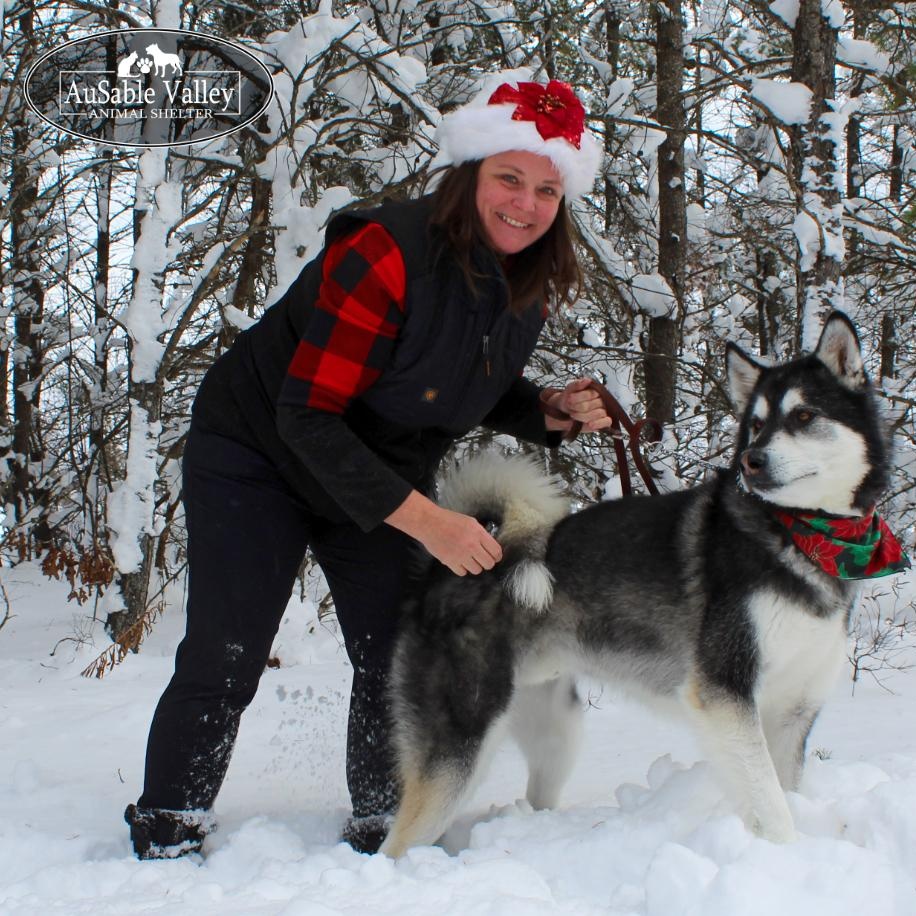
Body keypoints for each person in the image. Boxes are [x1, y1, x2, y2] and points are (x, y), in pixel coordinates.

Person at [125, 69, 611, 859]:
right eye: (508, 178)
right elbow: (307, 414)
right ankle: (170, 826)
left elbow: (444, 375)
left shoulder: (526, 283)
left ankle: (383, 824)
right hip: (259, 451)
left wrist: (543, 409)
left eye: (546, 191)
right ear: (471, 174)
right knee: (228, 648)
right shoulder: (384, 253)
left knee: (395, 649)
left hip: (373, 462)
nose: (524, 204)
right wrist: (430, 523)